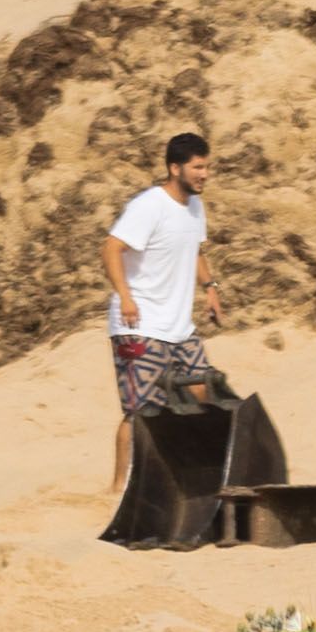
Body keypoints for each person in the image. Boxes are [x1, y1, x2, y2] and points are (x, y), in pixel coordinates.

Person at [105, 133, 219, 475]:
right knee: (141, 413)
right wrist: (125, 296)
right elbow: (111, 248)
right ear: (175, 168)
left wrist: (210, 288)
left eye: (207, 166)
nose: (204, 174)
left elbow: (195, 248)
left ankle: (188, 470)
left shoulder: (195, 207)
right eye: (197, 167)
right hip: (138, 326)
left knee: (204, 392)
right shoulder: (149, 206)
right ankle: (119, 489)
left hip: (179, 328)